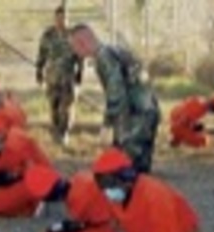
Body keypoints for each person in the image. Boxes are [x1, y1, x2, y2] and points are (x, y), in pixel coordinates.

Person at [68, 23, 160, 173]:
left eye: (74, 46)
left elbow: (116, 91)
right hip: (148, 111)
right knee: (140, 169)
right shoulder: (113, 50)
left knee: (127, 171)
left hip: (135, 116)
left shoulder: (104, 57)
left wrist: (108, 125)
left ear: (82, 43)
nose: (74, 51)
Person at [24, 165, 117, 232]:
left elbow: (84, 226)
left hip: (109, 229)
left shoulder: (77, 203)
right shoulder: (79, 177)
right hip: (111, 220)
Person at [36, 6, 84, 146]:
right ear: (55, 19)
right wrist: (39, 71)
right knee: (54, 107)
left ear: (68, 19)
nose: (61, 21)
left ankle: (64, 133)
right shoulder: (48, 35)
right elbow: (42, 54)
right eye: (58, 18)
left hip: (68, 78)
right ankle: (56, 131)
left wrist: (80, 74)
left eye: (64, 18)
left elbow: (80, 57)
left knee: (66, 107)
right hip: (52, 78)